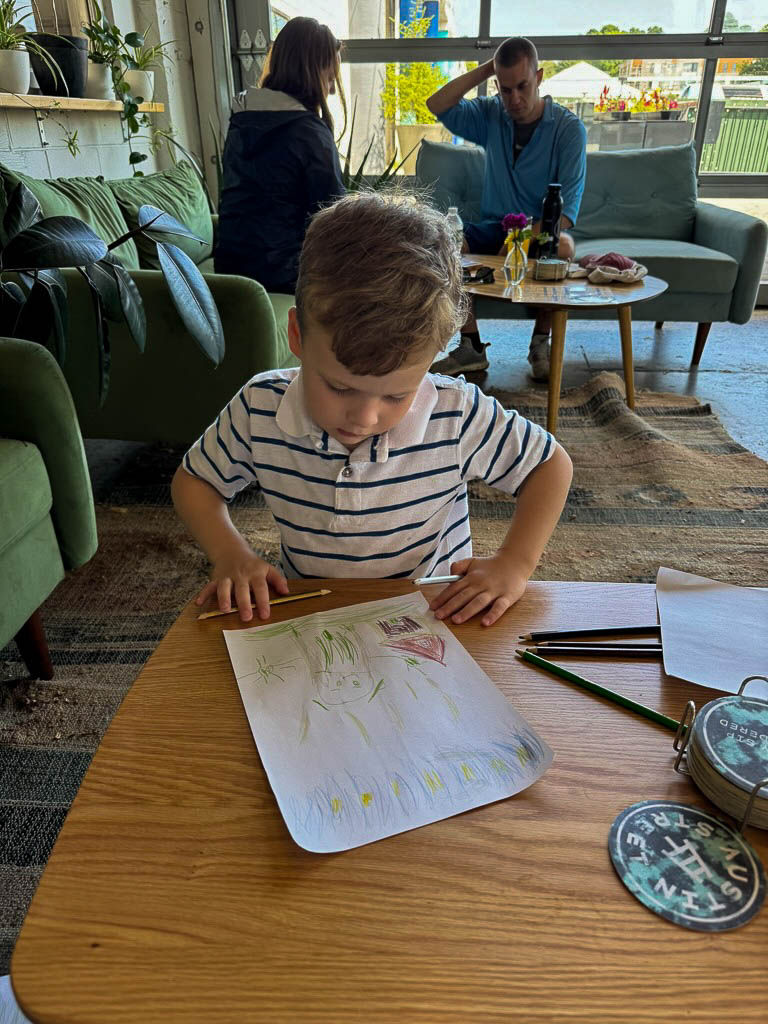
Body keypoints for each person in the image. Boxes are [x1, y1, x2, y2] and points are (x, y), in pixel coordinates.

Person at [172, 192, 573, 628]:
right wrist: (230, 553)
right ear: (298, 336)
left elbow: (549, 467)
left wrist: (515, 563)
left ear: (436, 355)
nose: (363, 418)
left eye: (396, 396)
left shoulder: (456, 413)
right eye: (339, 387)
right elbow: (195, 482)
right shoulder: (259, 407)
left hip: (434, 612)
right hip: (310, 611)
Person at [426, 36, 587, 381]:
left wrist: (521, 239)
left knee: (564, 247)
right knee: (443, 244)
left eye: (523, 86)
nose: (514, 99)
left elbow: (566, 216)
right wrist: (489, 68)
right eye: (506, 89)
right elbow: (436, 103)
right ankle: (471, 345)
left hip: (539, 230)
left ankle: (541, 342)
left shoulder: (569, 129)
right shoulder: (491, 114)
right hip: (492, 226)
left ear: (539, 77)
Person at [214, 17, 346, 294]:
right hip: (285, 276)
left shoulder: (242, 121)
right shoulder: (309, 132)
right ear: (311, 72)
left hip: (230, 269)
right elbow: (333, 219)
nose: (332, 89)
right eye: (330, 78)